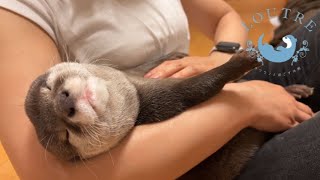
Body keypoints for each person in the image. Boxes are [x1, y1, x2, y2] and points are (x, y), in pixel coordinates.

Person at [0, 0, 314, 179]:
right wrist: (244, 107)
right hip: (185, 165)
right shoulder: (15, 12)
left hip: (214, 89)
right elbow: (50, 176)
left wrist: (221, 57)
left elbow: (224, 16)